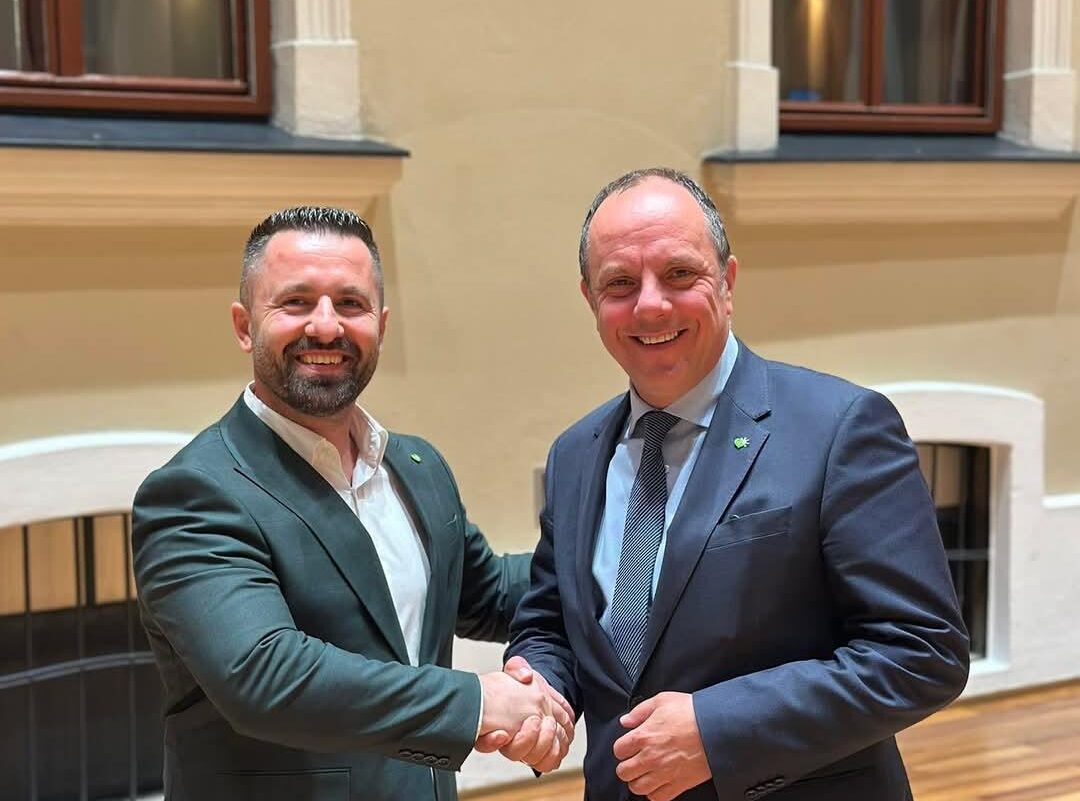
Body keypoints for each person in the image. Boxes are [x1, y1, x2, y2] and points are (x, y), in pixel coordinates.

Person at [504, 168, 970, 801]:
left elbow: (922, 652)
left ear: (726, 282)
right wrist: (541, 690)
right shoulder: (575, 454)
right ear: (591, 300)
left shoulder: (840, 428)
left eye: (679, 274)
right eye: (620, 283)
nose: (649, 305)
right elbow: (552, 622)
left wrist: (720, 729)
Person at [132, 206, 572, 801]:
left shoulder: (417, 466)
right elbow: (265, 675)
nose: (325, 326)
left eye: (350, 303)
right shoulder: (195, 493)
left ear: (380, 326)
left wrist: (619, 564)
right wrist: (478, 703)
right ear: (244, 325)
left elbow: (488, 594)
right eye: (296, 302)